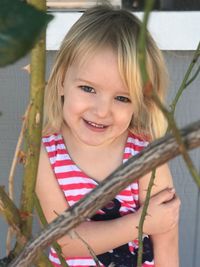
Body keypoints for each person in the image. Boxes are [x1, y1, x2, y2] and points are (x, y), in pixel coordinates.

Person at [36, 4, 180, 267]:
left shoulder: (146, 156)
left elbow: (166, 239)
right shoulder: (45, 154)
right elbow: (63, 240)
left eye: (122, 97)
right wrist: (142, 222)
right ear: (60, 83)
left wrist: (156, 223)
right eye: (88, 89)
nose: (102, 111)